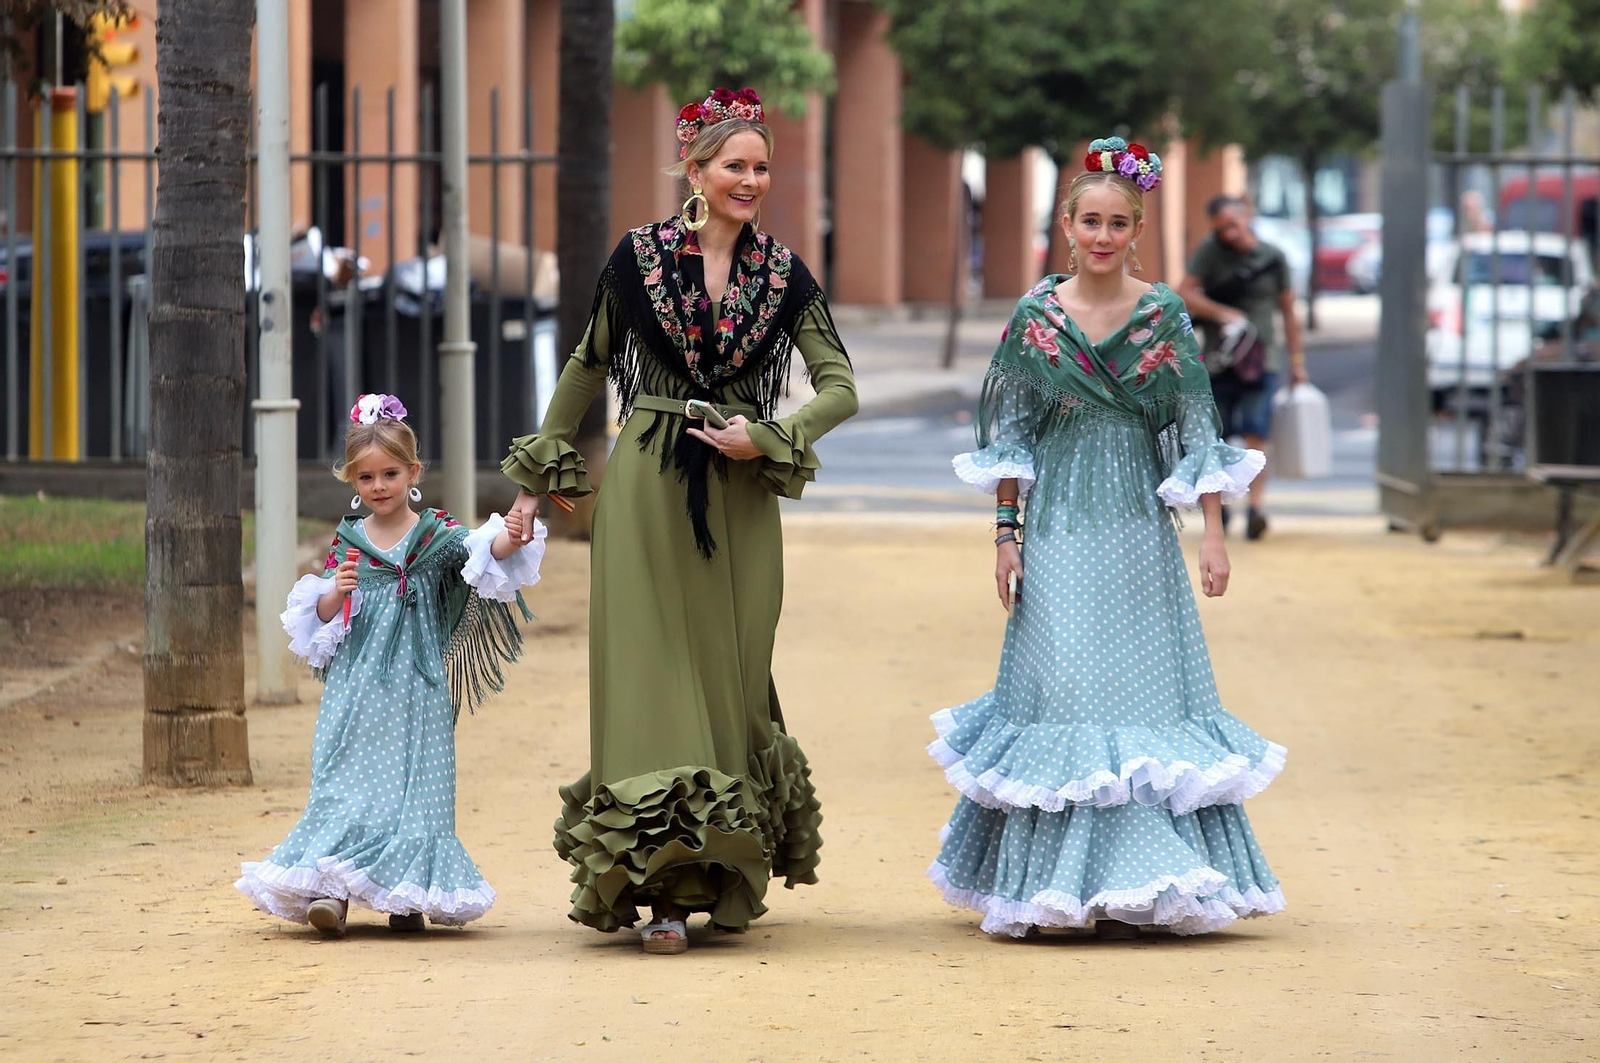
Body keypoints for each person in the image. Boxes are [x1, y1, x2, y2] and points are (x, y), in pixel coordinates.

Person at [501, 87, 857, 955]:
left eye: (761, 166)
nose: (751, 179)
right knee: (650, 683)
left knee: (732, 678)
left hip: (741, 496)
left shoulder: (784, 274)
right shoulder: (638, 258)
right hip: (647, 487)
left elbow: (840, 387)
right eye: (735, 164)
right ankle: (661, 891)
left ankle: (720, 875)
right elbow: (588, 366)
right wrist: (532, 483)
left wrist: (764, 435)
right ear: (695, 170)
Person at [928, 137, 1286, 939]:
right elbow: (1012, 432)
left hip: (1135, 526)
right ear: (1066, 226)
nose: (1101, 235)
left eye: (1117, 223)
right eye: (1088, 221)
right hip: (1056, 523)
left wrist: (1214, 535)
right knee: (1065, 687)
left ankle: (1139, 882)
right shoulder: (1036, 316)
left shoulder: (1163, 315)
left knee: (1139, 693)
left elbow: (1196, 423)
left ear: (1136, 231)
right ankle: (1059, 885)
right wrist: (1005, 535)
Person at [236, 394, 546, 936]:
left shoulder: (436, 537)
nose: (378, 486)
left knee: (416, 788)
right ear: (352, 481)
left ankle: (406, 895)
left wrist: (515, 527)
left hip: (417, 691)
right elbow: (319, 621)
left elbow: (487, 550)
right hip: (357, 691)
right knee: (346, 783)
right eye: (366, 477)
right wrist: (335, 592)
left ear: (413, 474)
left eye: (390, 474)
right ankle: (332, 894)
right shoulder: (349, 544)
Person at [1176, 195, 1306, 540]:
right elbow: (1184, 292)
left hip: (1262, 361)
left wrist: (1297, 361)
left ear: (1246, 216)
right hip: (1220, 361)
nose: (1229, 235)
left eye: (1233, 226)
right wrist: (1222, 313)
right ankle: (1222, 507)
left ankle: (1255, 509)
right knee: (1215, 436)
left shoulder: (1273, 257)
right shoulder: (1210, 252)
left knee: (1256, 433)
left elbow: (1289, 312)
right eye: (1222, 230)